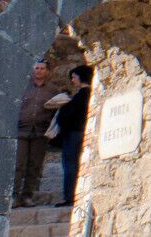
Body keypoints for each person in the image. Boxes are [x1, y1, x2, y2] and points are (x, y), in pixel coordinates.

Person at [48, 64, 92, 205]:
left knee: (70, 165)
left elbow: (68, 116)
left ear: (81, 78)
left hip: (73, 134)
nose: (72, 80)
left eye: (74, 77)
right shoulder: (90, 94)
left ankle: (70, 197)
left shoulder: (80, 97)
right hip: (82, 133)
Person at [13, 61, 55, 205]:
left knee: (34, 165)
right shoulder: (23, 87)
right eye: (36, 68)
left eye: (42, 68)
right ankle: (13, 195)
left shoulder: (52, 90)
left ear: (47, 71)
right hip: (21, 131)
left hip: (40, 132)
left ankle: (27, 196)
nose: (39, 71)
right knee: (18, 164)